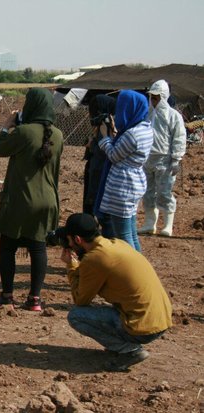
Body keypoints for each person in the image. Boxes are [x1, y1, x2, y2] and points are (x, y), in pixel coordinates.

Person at [59, 213, 172, 371]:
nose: (68, 243)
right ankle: (125, 345)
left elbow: (80, 300)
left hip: (143, 328)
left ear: (78, 240)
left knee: (76, 316)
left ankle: (129, 350)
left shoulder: (94, 259)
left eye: (69, 239)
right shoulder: (117, 243)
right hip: (161, 319)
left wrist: (71, 266)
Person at [0, 88, 64, 312]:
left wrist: (6, 125)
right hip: (47, 200)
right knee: (38, 248)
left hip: (21, 199)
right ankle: (35, 299)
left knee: (8, 247)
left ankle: (7, 295)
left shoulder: (23, 133)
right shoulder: (58, 136)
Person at [95, 90, 153, 252]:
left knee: (123, 235)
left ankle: (132, 270)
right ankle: (139, 266)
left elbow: (114, 155)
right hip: (135, 183)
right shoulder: (145, 128)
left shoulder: (132, 135)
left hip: (123, 186)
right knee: (131, 233)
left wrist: (105, 137)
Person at [139, 80, 187, 237]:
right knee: (148, 192)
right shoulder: (147, 114)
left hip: (164, 161)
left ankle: (167, 225)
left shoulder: (173, 116)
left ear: (164, 96)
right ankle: (149, 224)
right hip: (147, 160)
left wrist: (176, 159)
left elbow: (179, 138)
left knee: (164, 193)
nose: (153, 100)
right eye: (152, 96)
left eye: (157, 96)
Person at [83, 95, 116, 219]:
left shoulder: (106, 125)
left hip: (99, 168)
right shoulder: (103, 124)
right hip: (96, 167)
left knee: (96, 198)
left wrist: (92, 144)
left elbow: (102, 150)